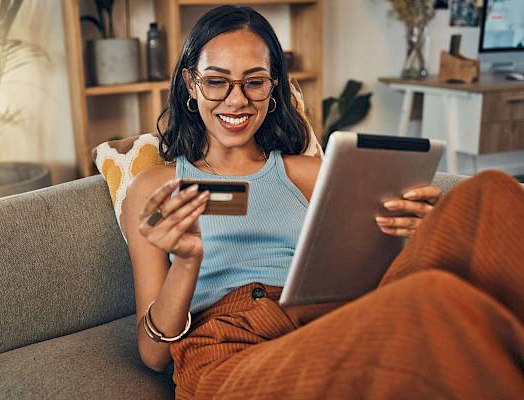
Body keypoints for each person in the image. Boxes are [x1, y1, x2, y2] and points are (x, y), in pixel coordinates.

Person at [123, 5, 524, 399]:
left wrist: (420, 232)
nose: (236, 100)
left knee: (491, 194)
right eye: (216, 81)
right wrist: (188, 262)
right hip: (228, 348)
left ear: (273, 86)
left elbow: (364, 267)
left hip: (322, 319)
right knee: (430, 297)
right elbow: (154, 354)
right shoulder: (157, 186)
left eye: (254, 81)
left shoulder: (312, 172)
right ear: (192, 84)